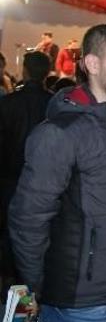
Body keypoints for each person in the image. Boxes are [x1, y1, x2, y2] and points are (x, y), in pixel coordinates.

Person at [8, 24, 106, 322]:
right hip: (78, 304)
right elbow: (29, 218)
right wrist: (37, 288)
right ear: (92, 64)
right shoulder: (60, 132)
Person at [0, 51, 52, 294]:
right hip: (46, 185)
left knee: (10, 239)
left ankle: (15, 300)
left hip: (11, 181)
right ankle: (28, 303)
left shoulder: (8, 103)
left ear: (25, 71)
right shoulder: (54, 104)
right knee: (38, 244)